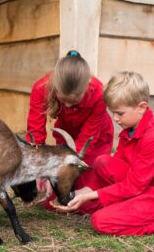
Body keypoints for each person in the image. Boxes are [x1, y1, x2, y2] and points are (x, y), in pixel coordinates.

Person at [52, 71, 154, 236]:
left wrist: (92, 194)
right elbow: (119, 166)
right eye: (112, 112)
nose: (115, 118)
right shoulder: (129, 130)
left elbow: (134, 186)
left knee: (101, 221)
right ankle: (129, 209)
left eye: (120, 113)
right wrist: (83, 192)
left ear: (141, 107)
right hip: (145, 184)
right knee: (103, 162)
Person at [26, 50, 114, 213]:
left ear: (87, 86)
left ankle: (112, 191)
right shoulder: (42, 88)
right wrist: (43, 170)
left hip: (94, 142)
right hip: (66, 140)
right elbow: (35, 133)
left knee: (85, 204)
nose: (67, 106)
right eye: (63, 100)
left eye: (73, 102)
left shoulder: (99, 94)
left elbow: (87, 139)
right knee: (53, 200)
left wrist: (65, 167)